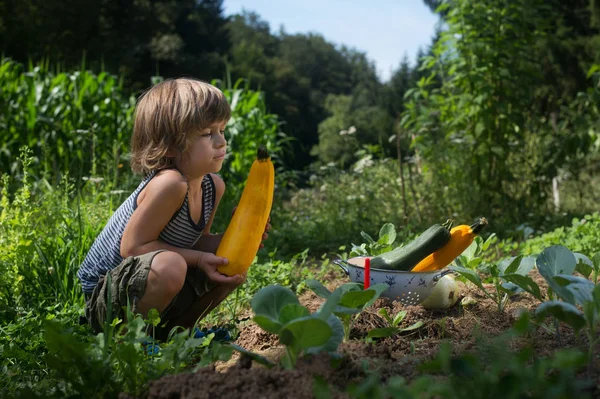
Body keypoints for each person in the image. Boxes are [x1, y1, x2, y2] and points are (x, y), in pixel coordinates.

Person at [77, 78, 270, 341]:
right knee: (171, 265)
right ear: (170, 143)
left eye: (222, 130)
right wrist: (200, 260)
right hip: (106, 299)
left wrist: (236, 236)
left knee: (232, 264)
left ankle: (178, 336)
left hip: (148, 285)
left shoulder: (213, 186)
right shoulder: (169, 184)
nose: (221, 142)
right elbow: (132, 248)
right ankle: (129, 342)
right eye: (207, 133)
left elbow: (197, 243)